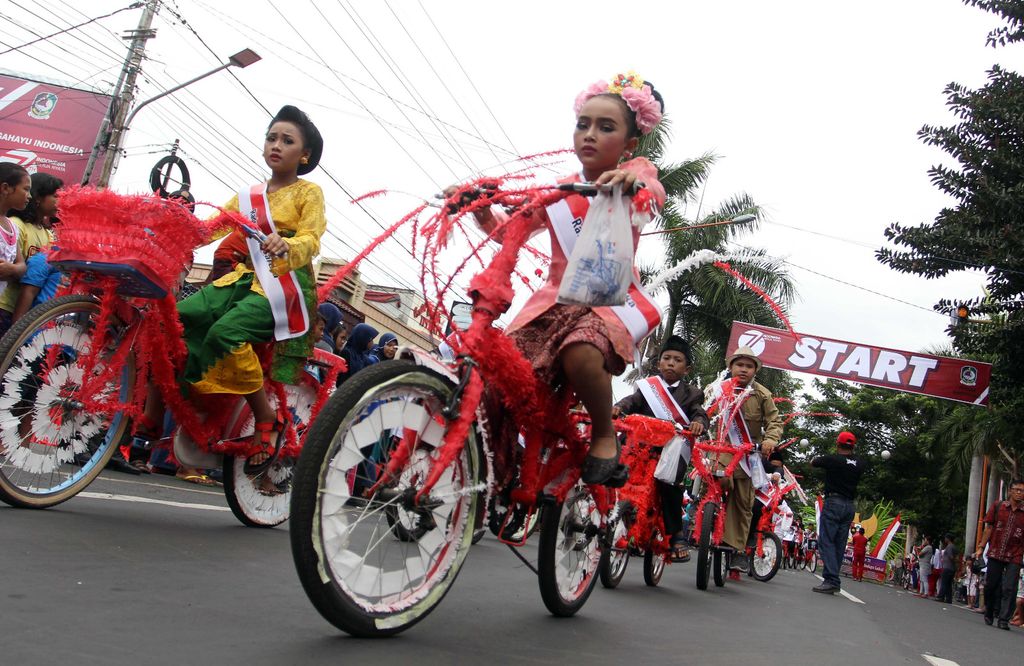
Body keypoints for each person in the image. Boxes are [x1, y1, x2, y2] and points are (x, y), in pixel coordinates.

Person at [460, 72, 666, 486]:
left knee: (581, 352)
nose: (589, 134)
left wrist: (632, 182)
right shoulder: (559, 191)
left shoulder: (636, 172)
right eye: (583, 124)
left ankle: (605, 435)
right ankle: (490, 474)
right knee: (492, 377)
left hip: (609, 301)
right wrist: (479, 206)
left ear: (629, 145)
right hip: (551, 305)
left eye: (606, 127)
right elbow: (508, 228)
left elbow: (651, 190)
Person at [135, 105, 325, 486]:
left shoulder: (310, 192)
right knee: (167, 319)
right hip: (241, 280)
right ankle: (151, 417)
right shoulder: (248, 196)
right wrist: (167, 222)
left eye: (287, 141)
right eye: (272, 137)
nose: (276, 145)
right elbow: (208, 230)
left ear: (304, 156)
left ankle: (266, 418)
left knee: (225, 334)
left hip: (284, 287)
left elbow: (312, 238)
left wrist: (286, 245)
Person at [612, 335, 709, 562]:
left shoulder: (692, 393)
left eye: (677, 360)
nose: (671, 363)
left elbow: (699, 413)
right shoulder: (647, 387)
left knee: (670, 487)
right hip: (638, 446)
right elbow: (631, 401)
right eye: (666, 358)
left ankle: (676, 535)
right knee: (613, 471)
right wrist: (617, 407)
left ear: (687, 368)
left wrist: (699, 424)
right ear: (658, 363)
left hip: (668, 453)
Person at [705, 346, 783, 580]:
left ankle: (738, 549)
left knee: (744, 501)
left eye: (749, 366)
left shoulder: (762, 394)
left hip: (747, 454)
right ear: (731, 367)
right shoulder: (717, 390)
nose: (744, 369)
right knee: (718, 480)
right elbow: (701, 411)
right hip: (720, 449)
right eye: (740, 365)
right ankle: (708, 517)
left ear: (755, 371)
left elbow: (775, 422)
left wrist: (770, 440)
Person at [0, 170, 60, 331]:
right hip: (5, 304)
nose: (59, 201)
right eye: (55, 196)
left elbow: (21, 267)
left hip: (21, 310)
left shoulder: (48, 234)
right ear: (39, 198)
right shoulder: (17, 225)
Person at [811, 431, 866, 594]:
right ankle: (830, 579)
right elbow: (858, 463)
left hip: (834, 502)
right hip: (849, 505)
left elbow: (814, 462)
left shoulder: (833, 460)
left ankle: (832, 579)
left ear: (837, 444)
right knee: (839, 544)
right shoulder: (860, 463)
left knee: (826, 541)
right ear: (853, 446)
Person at [974, 478, 1024, 630]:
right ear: (1010, 491)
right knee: (991, 586)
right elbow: (988, 528)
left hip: (1015, 555)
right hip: (996, 552)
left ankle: (1003, 619)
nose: (1019, 493)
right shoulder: (998, 506)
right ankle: (989, 611)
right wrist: (981, 547)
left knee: (1010, 587)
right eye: (1017, 490)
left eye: (1022, 491)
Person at [0, 163, 32, 336]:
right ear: (6, 188)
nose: (29, 196)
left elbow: (21, 265)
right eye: (26, 189)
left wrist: (12, 269)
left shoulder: (12, 227)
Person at [936, 533, 958, 603]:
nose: (945, 539)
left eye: (946, 538)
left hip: (947, 567)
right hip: (952, 568)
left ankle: (941, 596)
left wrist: (950, 559)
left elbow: (951, 557)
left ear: (948, 539)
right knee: (948, 584)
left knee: (944, 582)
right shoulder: (954, 546)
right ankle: (948, 598)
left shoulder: (949, 547)